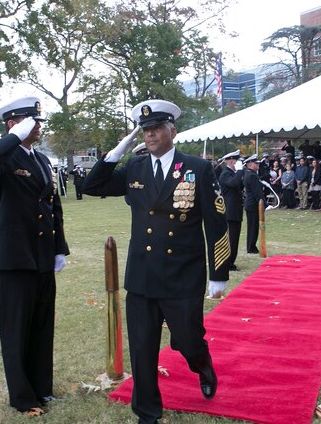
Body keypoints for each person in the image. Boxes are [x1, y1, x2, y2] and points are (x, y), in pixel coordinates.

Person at [82, 99, 230, 424]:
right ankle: (147, 414)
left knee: (188, 340)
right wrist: (118, 150)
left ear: (171, 130)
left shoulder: (198, 169)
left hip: (183, 275)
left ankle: (202, 364)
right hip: (143, 276)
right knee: (142, 349)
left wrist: (218, 272)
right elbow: (91, 186)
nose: (150, 135)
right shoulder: (134, 167)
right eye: (145, 130)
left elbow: (218, 223)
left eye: (156, 129)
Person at [0, 96, 69, 416]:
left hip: (40, 256)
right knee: (16, 329)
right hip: (14, 257)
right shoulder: (3, 158)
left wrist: (59, 248)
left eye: (38, 122)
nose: (38, 127)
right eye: (32, 122)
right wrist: (10, 138)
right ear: (14, 123)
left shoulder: (40, 160)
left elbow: (54, 207)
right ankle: (22, 396)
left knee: (41, 324)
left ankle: (42, 387)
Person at [218, 150, 244, 271]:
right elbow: (234, 184)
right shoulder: (225, 174)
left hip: (235, 211)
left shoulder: (232, 173)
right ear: (232, 161)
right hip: (230, 212)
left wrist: (239, 172)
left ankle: (231, 262)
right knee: (231, 239)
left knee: (235, 238)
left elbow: (240, 184)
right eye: (237, 161)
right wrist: (239, 171)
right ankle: (228, 263)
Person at [242, 154, 264, 254]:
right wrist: (265, 205)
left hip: (251, 204)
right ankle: (251, 247)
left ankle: (251, 246)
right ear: (250, 164)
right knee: (253, 227)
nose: (258, 165)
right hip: (253, 204)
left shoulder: (249, 174)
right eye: (256, 163)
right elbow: (257, 192)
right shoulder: (251, 175)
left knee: (252, 226)